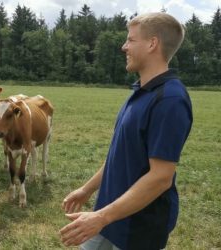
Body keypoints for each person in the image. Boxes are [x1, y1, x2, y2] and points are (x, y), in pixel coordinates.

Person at [60, 12, 193, 250]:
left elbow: (160, 178)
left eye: (131, 40)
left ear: (152, 44)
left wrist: (102, 217)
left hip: (138, 230)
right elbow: (119, 154)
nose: (124, 47)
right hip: (107, 216)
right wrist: (87, 189)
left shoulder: (170, 99)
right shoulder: (141, 92)